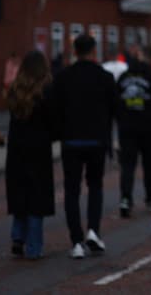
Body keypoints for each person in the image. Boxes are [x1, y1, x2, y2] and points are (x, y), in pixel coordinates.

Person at [53, 33, 118, 258]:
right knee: (95, 187)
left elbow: (55, 109)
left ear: (74, 51)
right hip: (97, 141)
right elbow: (114, 110)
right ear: (93, 51)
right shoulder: (106, 77)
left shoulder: (62, 78)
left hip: (71, 141)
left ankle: (76, 241)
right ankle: (93, 231)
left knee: (72, 190)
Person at [5, 51, 55, 260]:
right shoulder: (45, 91)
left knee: (19, 191)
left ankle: (18, 236)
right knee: (37, 197)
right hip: (39, 149)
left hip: (17, 147)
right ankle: (34, 246)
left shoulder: (15, 90)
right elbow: (53, 120)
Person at [116, 45, 151, 218]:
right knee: (149, 164)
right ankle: (150, 198)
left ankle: (126, 198)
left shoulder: (124, 76)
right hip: (149, 126)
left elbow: (116, 98)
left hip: (127, 127)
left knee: (127, 165)